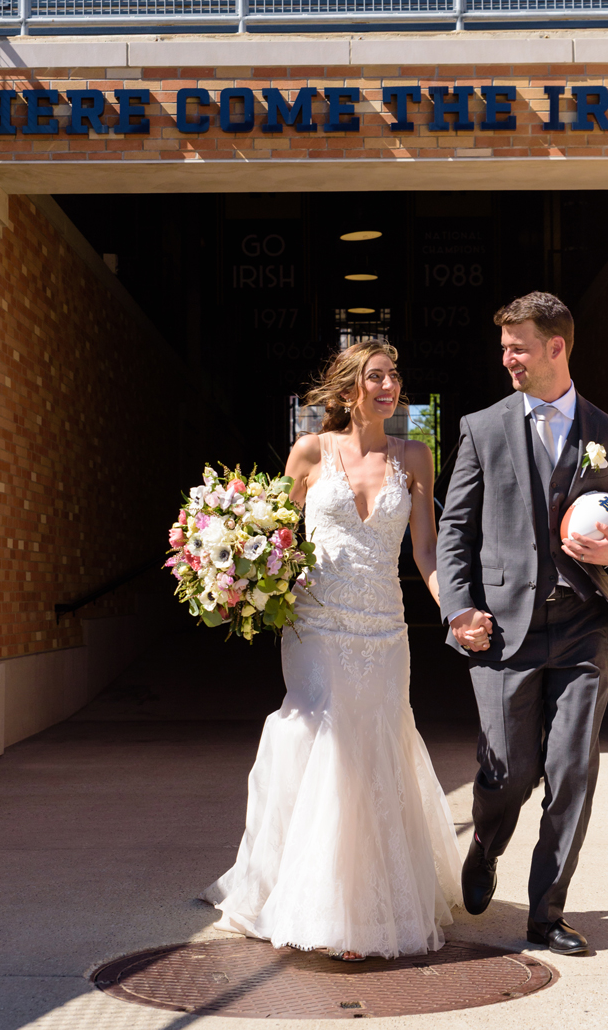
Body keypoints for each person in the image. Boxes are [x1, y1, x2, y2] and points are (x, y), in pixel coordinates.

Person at [205, 341, 463, 961]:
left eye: (395, 376)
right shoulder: (310, 452)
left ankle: (373, 902)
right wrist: (236, 577)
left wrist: (452, 610)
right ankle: (325, 905)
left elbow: (426, 553)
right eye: (377, 377)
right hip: (316, 626)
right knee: (331, 745)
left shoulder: (416, 457)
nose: (390, 386)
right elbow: (270, 535)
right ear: (349, 389)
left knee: (378, 741)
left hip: (384, 628)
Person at [436, 291, 608, 957]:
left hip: (583, 625)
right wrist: (458, 606)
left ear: (556, 347)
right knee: (509, 772)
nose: (507, 358)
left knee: (573, 769)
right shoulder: (482, 426)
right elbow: (454, 528)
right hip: (503, 630)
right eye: (504, 347)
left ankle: (545, 912)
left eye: (517, 346)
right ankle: (486, 841)